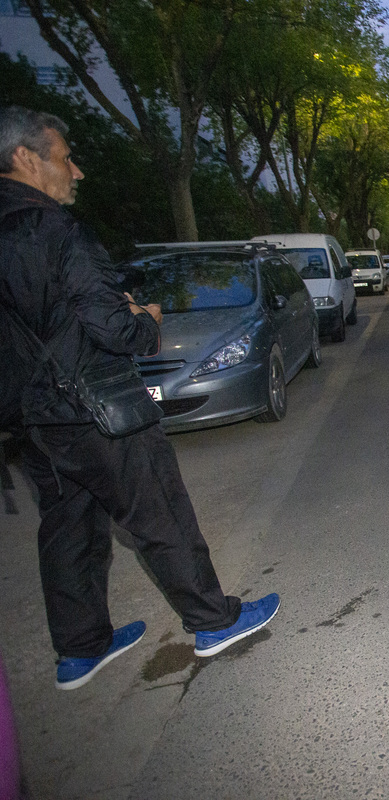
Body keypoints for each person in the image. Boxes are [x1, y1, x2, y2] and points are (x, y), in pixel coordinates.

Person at [0, 107, 279, 690]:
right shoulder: (57, 232)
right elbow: (113, 330)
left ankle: (81, 648)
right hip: (96, 411)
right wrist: (145, 320)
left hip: (28, 422)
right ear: (25, 159)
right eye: (65, 157)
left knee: (67, 524)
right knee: (158, 512)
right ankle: (213, 621)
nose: (76, 171)